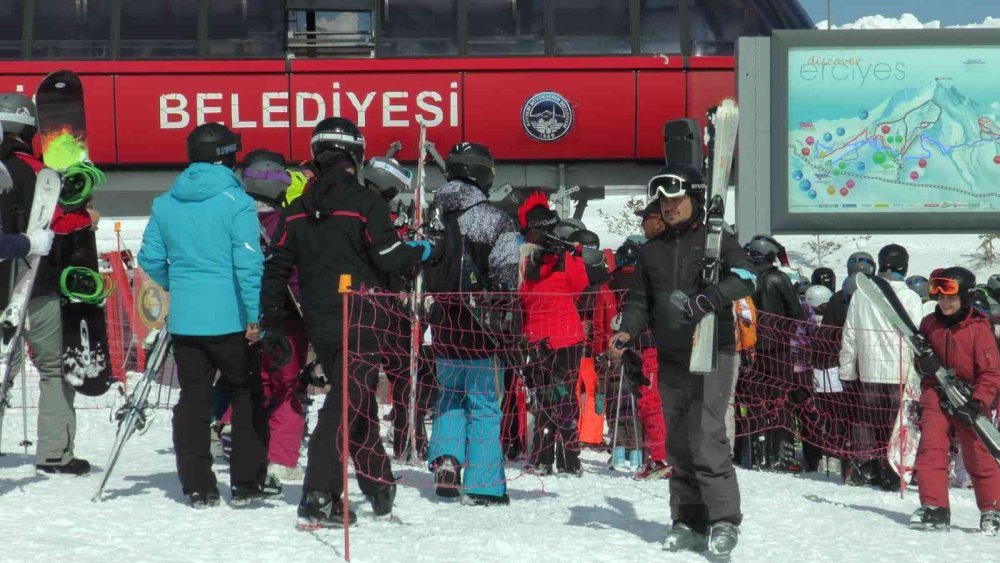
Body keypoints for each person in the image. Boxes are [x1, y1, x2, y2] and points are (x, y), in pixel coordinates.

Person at [260, 117, 428, 527]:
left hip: (321, 320)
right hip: (364, 317)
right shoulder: (365, 202)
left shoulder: (297, 210)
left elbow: (276, 268)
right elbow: (389, 256)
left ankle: (378, 483)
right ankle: (319, 495)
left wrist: (271, 322)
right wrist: (423, 252)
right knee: (345, 403)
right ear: (356, 154)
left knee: (357, 400)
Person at [610, 163, 756, 556]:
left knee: (706, 435)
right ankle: (689, 520)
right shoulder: (651, 250)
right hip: (672, 356)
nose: (668, 207)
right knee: (677, 441)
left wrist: (712, 297)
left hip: (713, 352)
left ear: (694, 198)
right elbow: (640, 301)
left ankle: (724, 520)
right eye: (663, 201)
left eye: (676, 199)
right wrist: (627, 331)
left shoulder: (716, 239)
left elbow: (748, 276)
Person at [138, 123, 274, 507]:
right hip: (231, 319)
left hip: (187, 320)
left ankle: (198, 485)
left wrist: (179, 285)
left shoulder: (166, 202)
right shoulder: (237, 201)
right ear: (227, 156)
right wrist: (255, 315)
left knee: (193, 400)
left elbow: (150, 258)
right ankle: (246, 482)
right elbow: (249, 263)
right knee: (246, 394)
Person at [0, 92, 94, 476]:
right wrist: (87, 218)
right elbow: (59, 224)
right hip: (35, 284)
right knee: (53, 368)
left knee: (2, 368)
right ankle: (55, 453)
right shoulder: (40, 173)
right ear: (32, 130)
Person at [424, 141, 520, 506]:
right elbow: (506, 277)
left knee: (449, 396)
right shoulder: (495, 219)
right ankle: (484, 484)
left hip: (442, 325)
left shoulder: (431, 214)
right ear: (483, 174)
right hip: (482, 328)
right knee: (484, 404)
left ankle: (446, 462)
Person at [237, 148, 310, 482]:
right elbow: (295, 276)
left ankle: (236, 435)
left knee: (254, 382)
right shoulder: (288, 223)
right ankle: (281, 458)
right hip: (284, 318)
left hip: (239, 317)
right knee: (288, 385)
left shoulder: (234, 220)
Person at [910, 267, 1000, 535]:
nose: (945, 303)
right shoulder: (930, 324)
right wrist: (923, 364)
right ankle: (935, 507)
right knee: (931, 450)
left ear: (966, 297)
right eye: (940, 298)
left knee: (978, 455)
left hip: (969, 397)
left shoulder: (979, 329)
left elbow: (991, 372)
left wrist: (977, 402)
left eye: (951, 298)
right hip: (936, 392)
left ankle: (993, 509)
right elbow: (920, 361)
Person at [363, 156, 435, 462]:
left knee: (404, 375)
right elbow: (388, 256)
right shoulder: (372, 210)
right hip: (380, 306)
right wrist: (411, 256)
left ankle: (406, 439)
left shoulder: (367, 207)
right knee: (399, 375)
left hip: (381, 305)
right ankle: (396, 440)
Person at [839, 244, 923, 489]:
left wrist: (847, 371)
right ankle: (893, 472)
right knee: (896, 425)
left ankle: (865, 469)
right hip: (901, 373)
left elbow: (850, 335)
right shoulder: (912, 297)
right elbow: (918, 338)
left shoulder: (861, 294)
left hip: (869, 372)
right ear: (904, 266)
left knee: (866, 422)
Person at [518, 190, 589, 477]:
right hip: (568, 336)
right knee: (565, 397)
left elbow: (520, 298)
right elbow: (580, 287)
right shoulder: (565, 257)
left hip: (536, 338)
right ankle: (570, 459)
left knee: (544, 399)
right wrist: (577, 256)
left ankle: (543, 457)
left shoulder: (521, 261)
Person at [741, 234, 805, 472]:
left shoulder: (742, 278)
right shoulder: (778, 278)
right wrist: (786, 331)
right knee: (781, 399)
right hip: (778, 348)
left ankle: (757, 454)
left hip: (750, 347)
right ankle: (783, 455)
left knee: (755, 400)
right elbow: (796, 311)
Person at [608, 239, 669, 480]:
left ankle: (660, 457)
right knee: (647, 403)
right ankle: (654, 454)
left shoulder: (615, 281)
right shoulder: (648, 280)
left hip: (645, 347)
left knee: (650, 403)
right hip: (642, 345)